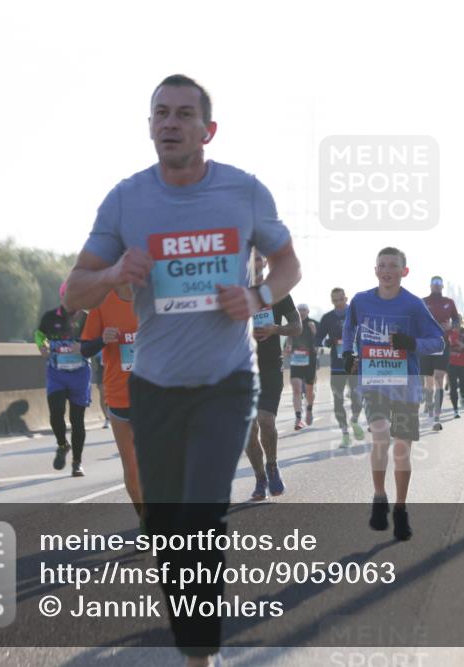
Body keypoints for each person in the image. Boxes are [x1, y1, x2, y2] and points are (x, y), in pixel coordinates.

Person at [62, 74, 300, 667]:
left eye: (183, 114)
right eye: (160, 113)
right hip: (154, 386)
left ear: (207, 130)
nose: (169, 123)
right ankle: (194, 637)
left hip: (226, 382)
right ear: (149, 127)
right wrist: (114, 272)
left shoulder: (244, 192)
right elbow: (73, 291)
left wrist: (259, 297)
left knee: (200, 512)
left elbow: (289, 263)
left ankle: (201, 655)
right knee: (168, 528)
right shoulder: (125, 200)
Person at [342, 247, 444, 541]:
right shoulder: (360, 301)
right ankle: (378, 496)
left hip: (406, 386)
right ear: (375, 270)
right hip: (373, 382)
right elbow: (349, 330)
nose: (387, 270)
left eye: (393, 265)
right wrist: (347, 352)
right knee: (380, 435)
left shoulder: (413, 305)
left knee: (401, 450)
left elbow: (438, 342)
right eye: (382, 265)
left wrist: (411, 342)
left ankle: (400, 509)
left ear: (404, 271)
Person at [79, 286, 142, 514]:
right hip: (119, 394)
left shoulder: (155, 296)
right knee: (132, 469)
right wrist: (102, 339)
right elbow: (85, 349)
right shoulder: (102, 303)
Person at [247, 250, 301, 501]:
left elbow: (297, 326)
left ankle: (272, 465)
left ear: (266, 262)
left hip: (270, 366)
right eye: (250, 258)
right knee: (248, 430)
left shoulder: (278, 292)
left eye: (259, 258)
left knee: (266, 421)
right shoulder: (234, 292)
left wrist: (275, 329)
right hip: (241, 369)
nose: (255, 263)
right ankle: (260, 478)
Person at [35, 283, 90, 476]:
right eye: (69, 296)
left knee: (77, 420)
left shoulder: (86, 318)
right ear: (62, 297)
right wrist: (41, 346)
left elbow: (97, 339)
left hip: (80, 375)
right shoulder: (50, 317)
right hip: (56, 374)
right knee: (56, 413)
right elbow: (39, 334)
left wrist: (84, 348)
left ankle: (77, 462)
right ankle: (62, 444)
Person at [315, 287, 365, 448]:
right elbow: (318, 339)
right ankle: (345, 434)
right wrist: (327, 342)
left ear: (346, 298)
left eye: (340, 299)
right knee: (338, 401)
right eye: (335, 300)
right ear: (332, 301)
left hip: (355, 365)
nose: (338, 303)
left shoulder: (357, 314)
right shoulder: (327, 318)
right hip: (337, 366)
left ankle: (355, 420)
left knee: (357, 398)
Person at [421, 276, 460, 431]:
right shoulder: (423, 301)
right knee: (428, 382)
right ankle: (430, 406)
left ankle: (437, 416)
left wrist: (452, 325)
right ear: (430, 285)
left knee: (439, 378)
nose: (436, 286)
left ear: (442, 286)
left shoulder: (449, 302)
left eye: (439, 283)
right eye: (434, 283)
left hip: (443, 345)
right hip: (426, 346)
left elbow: (457, 321)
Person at [284, 303, 318, 430]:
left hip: (311, 360)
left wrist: (315, 332)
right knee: (296, 388)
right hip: (297, 360)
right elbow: (288, 340)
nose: (302, 312)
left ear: (308, 311)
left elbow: (321, 341)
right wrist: (287, 348)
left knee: (309, 390)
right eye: (299, 310)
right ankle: (298, 418)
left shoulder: (313, 323)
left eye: (304, 310)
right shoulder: (293, 324)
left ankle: (309, 409)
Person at [446, 319, 464, 418]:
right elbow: (442, 345)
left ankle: (463, 395)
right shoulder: (448, 333)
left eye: (457, 323)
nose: (455, 325)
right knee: (453, 387)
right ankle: (455, 410)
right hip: (451, 364)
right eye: (453, 323)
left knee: (463, 386)